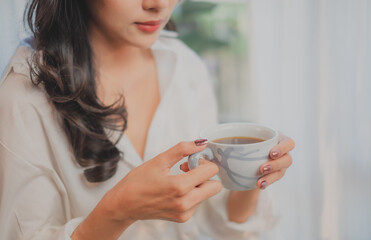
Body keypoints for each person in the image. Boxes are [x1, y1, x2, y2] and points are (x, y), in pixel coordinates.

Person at [0, 0, 295, 239]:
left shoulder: (185, 66)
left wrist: (253, 173)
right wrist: (118, 210)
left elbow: (217, 222)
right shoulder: (26, 89)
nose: (160, 5)